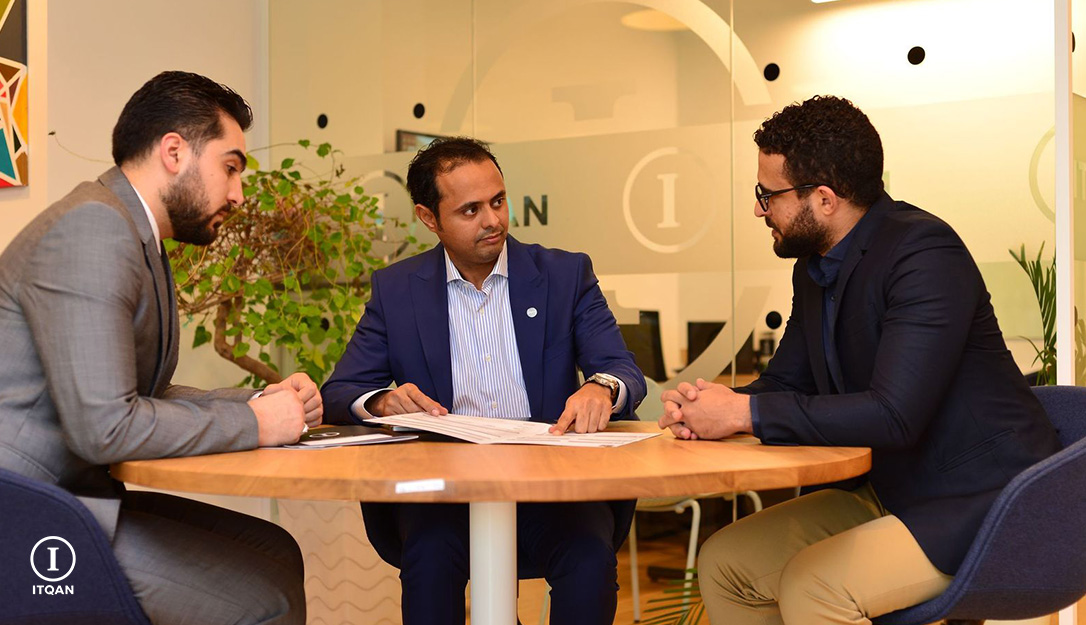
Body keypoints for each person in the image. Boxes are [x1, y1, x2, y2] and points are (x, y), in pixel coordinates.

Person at [658, 95, 1061, 625]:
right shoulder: (814, 267)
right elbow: (786, 382)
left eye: (767, 195)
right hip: (892, 490)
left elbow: (894, 415)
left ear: (824, 199)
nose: (758, 209)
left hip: (987, 500)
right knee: (724, 563)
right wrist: (713, 405)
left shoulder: (924, 253)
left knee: (815, 586)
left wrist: (743, 414)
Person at [0, 71, 324, 625]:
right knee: (264, 601)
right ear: (174, 152)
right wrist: (257, 425)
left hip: (70, 492)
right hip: (26, 509)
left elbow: (144, 392)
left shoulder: (133, 232)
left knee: (276, 549)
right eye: (231, 168)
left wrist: (258, 402)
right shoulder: (93, 229)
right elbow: (105, 428)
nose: (239, 194)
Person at [321, 136, 647, 625]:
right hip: (446, 492)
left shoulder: (565, 274)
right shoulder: (396, 290)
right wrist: (383, 402)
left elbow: (623, 369)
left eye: (498, 201)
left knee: (588, 561)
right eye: (470, 210)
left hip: (551, 485)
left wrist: (601, 388)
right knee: (428, 560)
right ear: (429, 218)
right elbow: (339, 393)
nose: (493, 220)